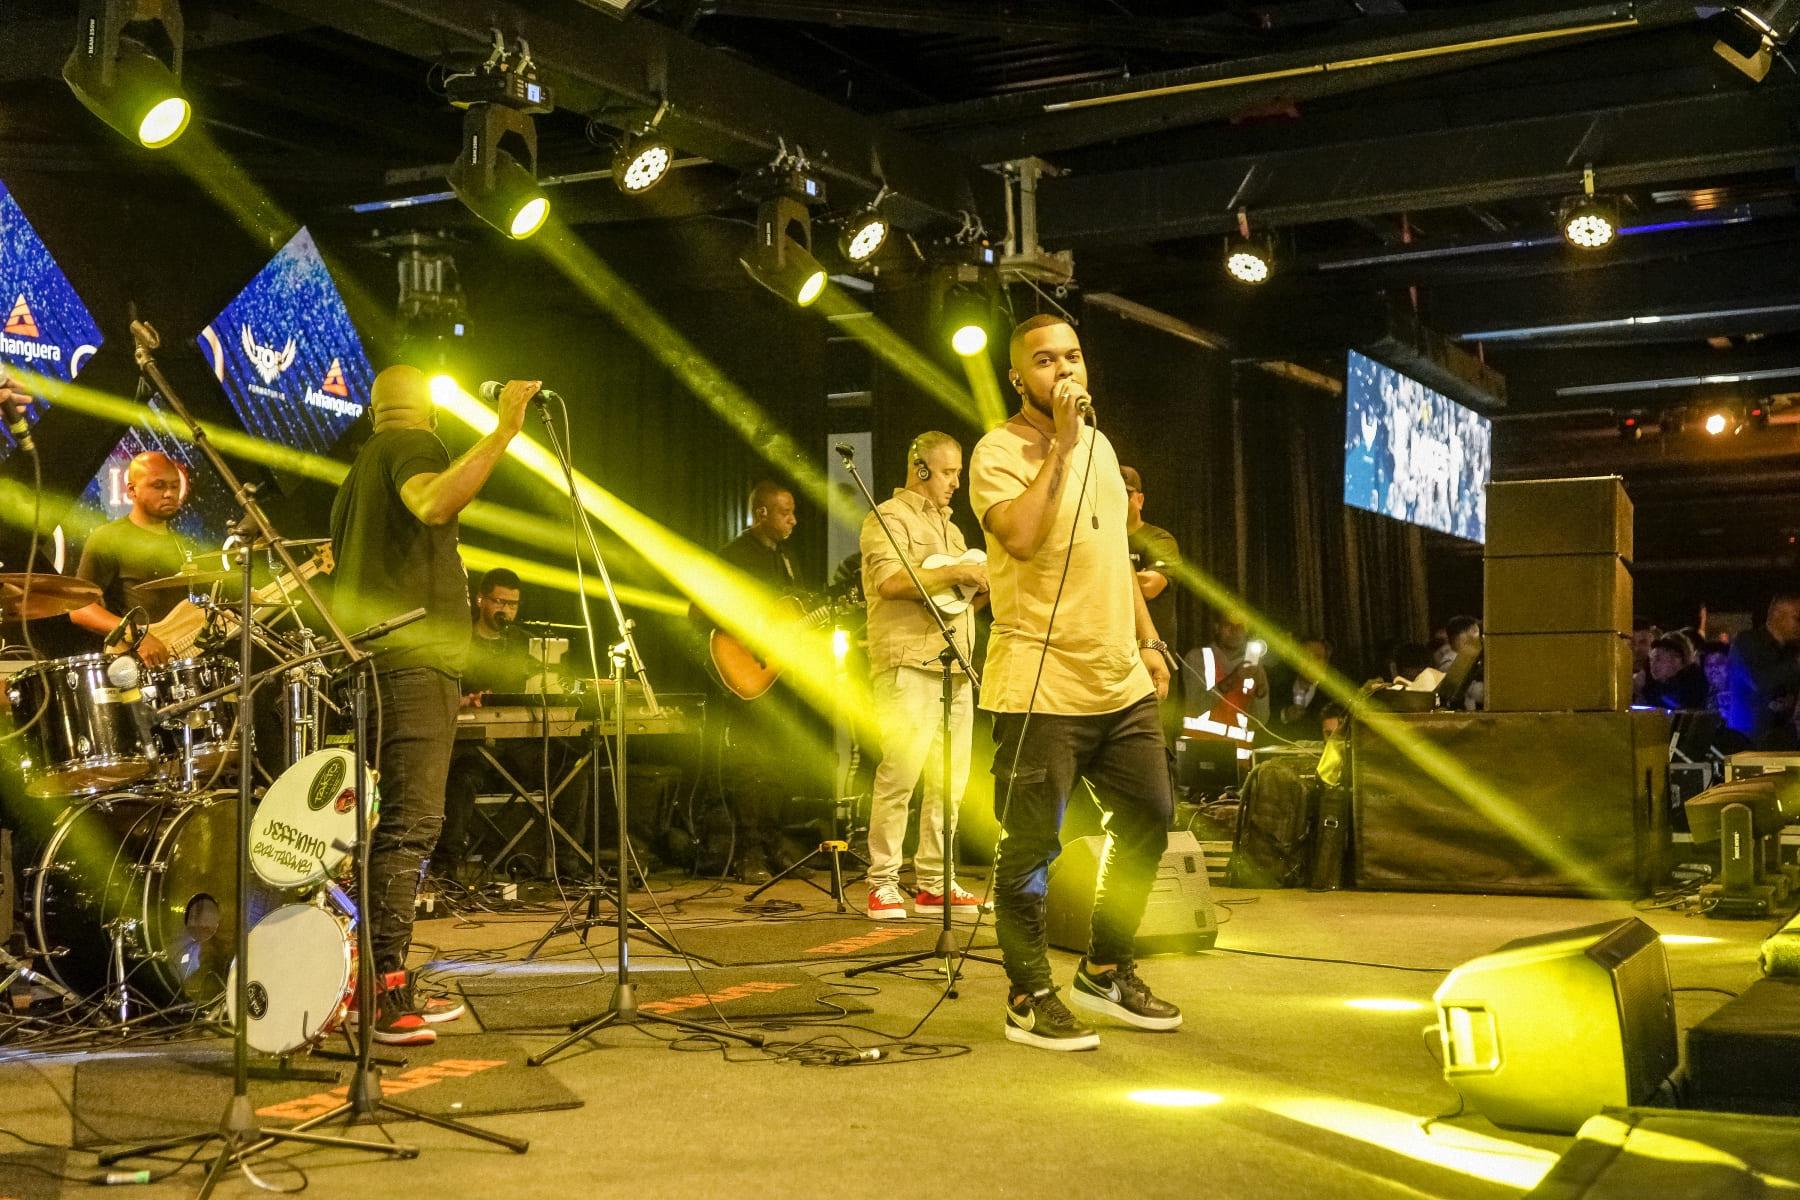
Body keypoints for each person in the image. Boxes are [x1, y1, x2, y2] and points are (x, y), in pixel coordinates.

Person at [970, 313, 1180, 1052]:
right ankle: (1028, 995)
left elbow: (1114, 553)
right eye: (1045, 360)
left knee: (1151, 818)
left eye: (1073, 356)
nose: (1064, 370)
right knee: (1032, 845)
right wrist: (1058, 445)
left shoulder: (1102, 445)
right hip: (1040, 681)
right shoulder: (996, 453)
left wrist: (1148, 642)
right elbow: (1022, 537)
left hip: (1118, 677)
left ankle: (1106, 969)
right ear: (1017, 377)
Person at [330, 365, 538, 1045]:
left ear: (372, 409)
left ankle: (365, 983)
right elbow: (433, 502)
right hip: (413, 664)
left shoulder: (360, 470)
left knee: (386, 826)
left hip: (383, 664)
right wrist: (504, 430)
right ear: (429, 411)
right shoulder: (413, 445)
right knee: (410, 824)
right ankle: (382, 996)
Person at [859, 432, 987, 921]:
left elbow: (956, 602)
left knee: (950, 782)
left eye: (959, 473)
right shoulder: (887, 518)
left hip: (955, 665)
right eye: (949, 471)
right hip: (908, 663)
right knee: (901, 774)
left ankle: (935, 882)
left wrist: (982, 586)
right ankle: (883, 882)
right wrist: (960, 573)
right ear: (921, 468)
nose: (957, 482)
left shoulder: (952, 531)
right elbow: (890, 582)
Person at [702, 481, 816, 883]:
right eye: (786, 512)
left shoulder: (787, 559)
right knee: (750, 765)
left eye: (794, 512)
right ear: (761, 513)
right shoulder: (733, 556)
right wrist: (755, 635)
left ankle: (773, 844)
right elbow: (701, 612)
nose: (794, 520)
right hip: (746, 672)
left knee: (781, 762)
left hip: (779, 676)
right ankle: (748, 853)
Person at [69, 451, 192, 666]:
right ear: (132, 490)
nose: (169, 494)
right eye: (158, 486)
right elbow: (80, 609)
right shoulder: (108, 538)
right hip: (136, 662)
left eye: (174, 486)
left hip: (178, 660)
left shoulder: (182, 543)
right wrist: (136, 634)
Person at [1725, 594, 1800, 749]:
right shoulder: (1747, 642)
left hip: (1783, 740)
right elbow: (1759, 681)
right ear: (1778, 615)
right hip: (1749, 742)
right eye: (1797, 618)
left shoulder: (1791, 649)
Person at [1273, 636, 1336, 740]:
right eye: (1306, 656)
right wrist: (1285, 715)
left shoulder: (1333, 696)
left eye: (1317, 657)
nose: (1311, 662)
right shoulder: (1279, 685)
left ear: (1325, 663)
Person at [1641, 633, 1708, 711]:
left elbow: (1675, 707)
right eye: (1651, 660)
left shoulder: (1693, 684)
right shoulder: (1657, 685)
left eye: (1658, 659)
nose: (1652, 664)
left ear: (1676, 660)